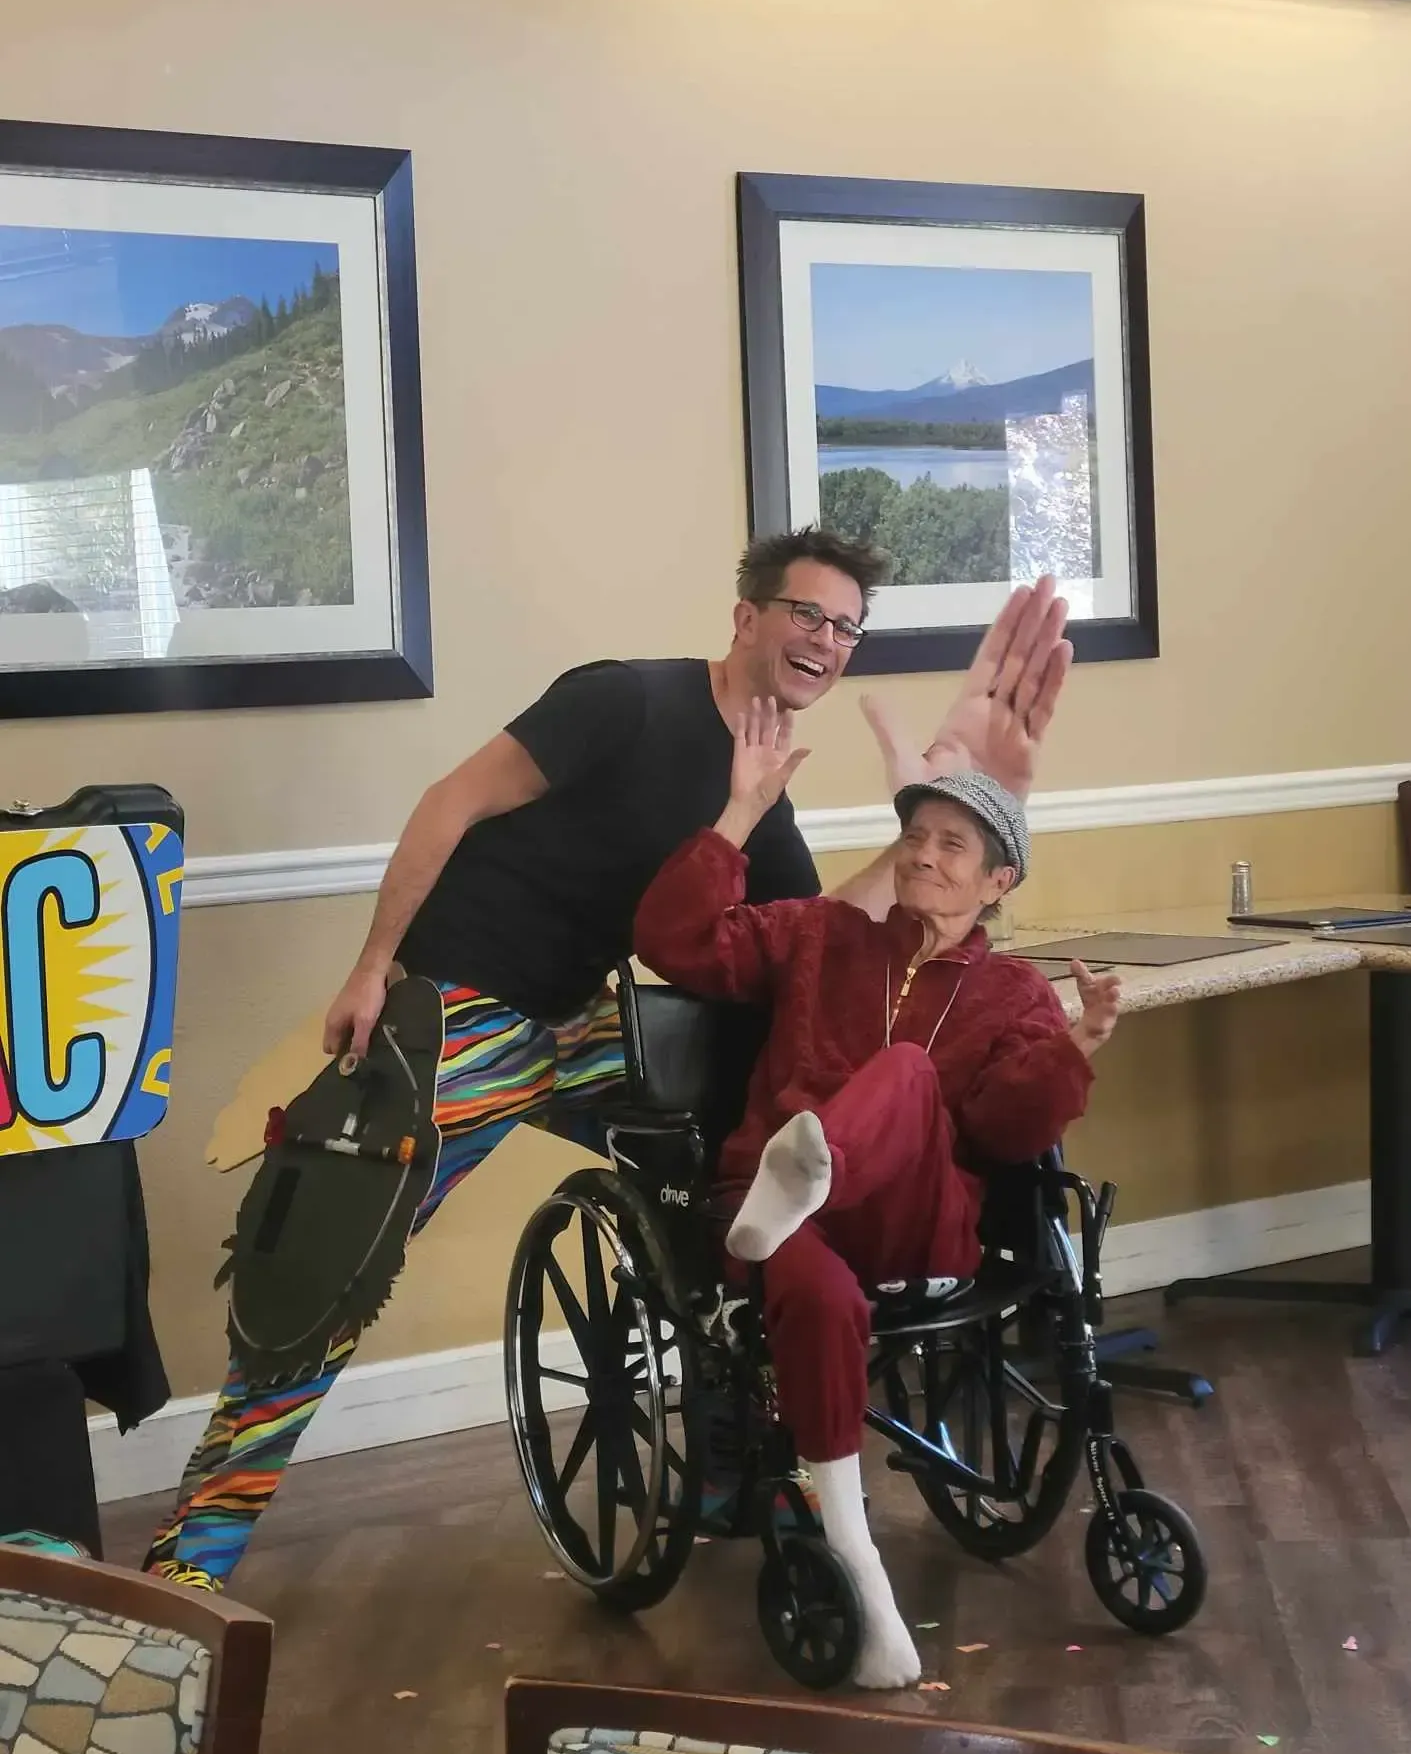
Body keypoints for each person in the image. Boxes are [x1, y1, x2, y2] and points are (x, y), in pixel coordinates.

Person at [144, 529, 1073, 1590]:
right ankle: (191, 1562)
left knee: (731, 1169)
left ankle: (734, 1464)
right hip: (462, 1007)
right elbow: (454, 800)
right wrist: (372, 967)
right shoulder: (624, 702)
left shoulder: (763, 775)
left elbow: (813, 935)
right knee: (323, 1255)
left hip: (587, 1025)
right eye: (807, 614)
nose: (827, 639)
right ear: (747, 618)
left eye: (847, 627)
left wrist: (945, 821)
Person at [633, 701, 1121, 1690]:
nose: (924, 857)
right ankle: (856, 1558)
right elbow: (673, 944)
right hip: (794, 1238)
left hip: (915, 1223)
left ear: (998, 881)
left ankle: (807, 1167)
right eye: (914, 837)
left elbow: (1008, 1134)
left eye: (952, 845)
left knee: (902, 1071)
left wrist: (1070, 1052)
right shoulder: (824, 935)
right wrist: (739, 814)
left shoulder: (1014, 995)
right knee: (816, 1295)